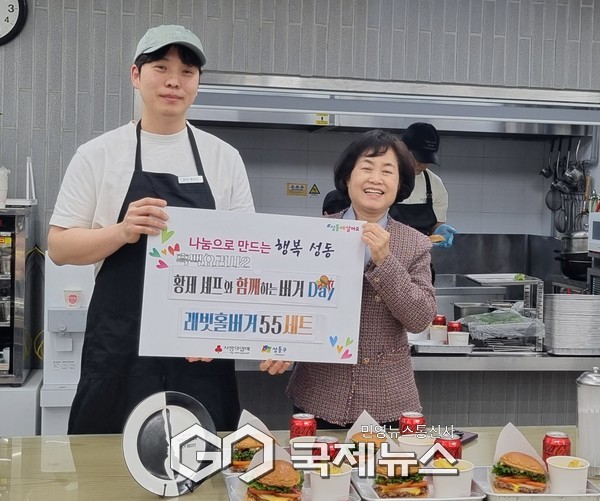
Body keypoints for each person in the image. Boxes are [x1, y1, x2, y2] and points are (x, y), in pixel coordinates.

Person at [48, 25, 288, 434]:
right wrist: (121, 231)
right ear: (136, 75)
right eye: (161, 67)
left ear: (197, 84)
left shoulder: (223, 158)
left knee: (203, 460)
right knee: (106, 461)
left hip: (200, 347)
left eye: (187, 72)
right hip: (121, 347)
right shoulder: (98, 155)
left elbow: (247, 260)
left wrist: (261, 333)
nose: (174, 81)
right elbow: (58, 246)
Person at [285, 129, 437, 428]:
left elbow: (420, 318)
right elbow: (289, 300)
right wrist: (278, 346)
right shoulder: (313, 235)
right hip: (318, 393)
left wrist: (385, 261)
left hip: (388, 398)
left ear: (400, 184)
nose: (375, 179)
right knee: (318, 461)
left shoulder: (415, 243)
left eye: (387, 171)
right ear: (347, 177)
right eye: (366, 168)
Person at [389, 122, 456, 247]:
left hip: (420, 254)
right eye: (418, 157)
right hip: (384, 251)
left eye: (427, 159)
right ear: (403, 148)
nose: (423, 165)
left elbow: (436, 225)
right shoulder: (385, 179)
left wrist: (439, 231)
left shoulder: (435, 184)